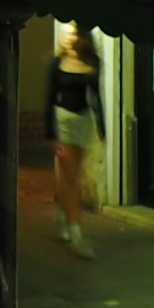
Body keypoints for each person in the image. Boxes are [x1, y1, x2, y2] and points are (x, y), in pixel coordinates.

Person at [49, 24, 102, 255]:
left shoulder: (93, 61)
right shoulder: (56, 64)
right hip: (63, 122)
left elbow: (96, 95)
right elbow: (48, 99)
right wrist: (50, 134)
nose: (66, 36)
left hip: (84, 120)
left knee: (73, 175)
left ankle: (62, 216)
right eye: (65, 32)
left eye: (71, 32)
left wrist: (102, 126)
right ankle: (76, 233)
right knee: (71, 177)